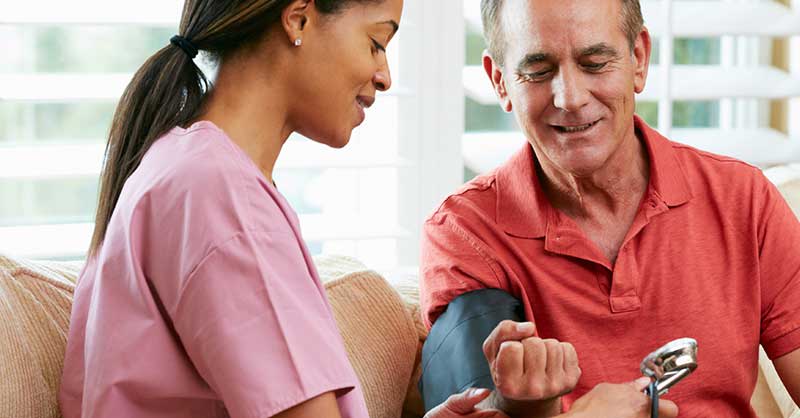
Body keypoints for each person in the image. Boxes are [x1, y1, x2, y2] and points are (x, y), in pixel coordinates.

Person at [57, 1, 510, 417]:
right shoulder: (217, 193)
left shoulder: (187, 169)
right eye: (376, 43)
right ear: (298, 18)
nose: (384, 76)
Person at [419, 0, 800, 417]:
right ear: (500, 81)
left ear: (638, 59)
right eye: (538, 71)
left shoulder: (743, 200)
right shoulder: (464, 234)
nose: (570, 98)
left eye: (595, 62)